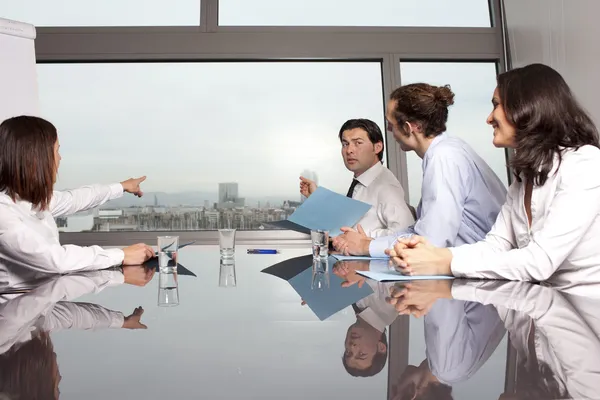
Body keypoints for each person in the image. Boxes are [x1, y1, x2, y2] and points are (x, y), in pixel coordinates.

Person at [390, 63, 600, 286]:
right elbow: (495, 245)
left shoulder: (585, 163)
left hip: (585, 312)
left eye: (496, 105)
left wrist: (441, 261)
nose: (489, 118)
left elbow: (539, 261)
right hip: (542, 308)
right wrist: (429, 256)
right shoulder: (523, 178)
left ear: (526, 107)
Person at [332, 84, 506, 256]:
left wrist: (365, 247)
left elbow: (431, 242)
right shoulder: (447, 151)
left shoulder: (443, 157)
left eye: (391, 123)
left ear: (408, 128)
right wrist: (369, 243)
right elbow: (418, 231)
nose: (389, 129)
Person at [0, 116, 155, 275]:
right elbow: (55, 260)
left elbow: (76, 199)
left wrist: (122, 186)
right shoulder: (4, 213)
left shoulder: (32, 202)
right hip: (21, 299)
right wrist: (121, 255)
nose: (60, 158)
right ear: (36, 158)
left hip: (46, 294)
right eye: (56, 150)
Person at [299, 118, 414, 238]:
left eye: (358, 143)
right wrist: (316, 197)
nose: (349, 150)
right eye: (345, 144)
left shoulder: (385, 186)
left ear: (377, 147)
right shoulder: (361, 182)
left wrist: (362, 237)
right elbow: (345, 222)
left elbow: (406, 232)